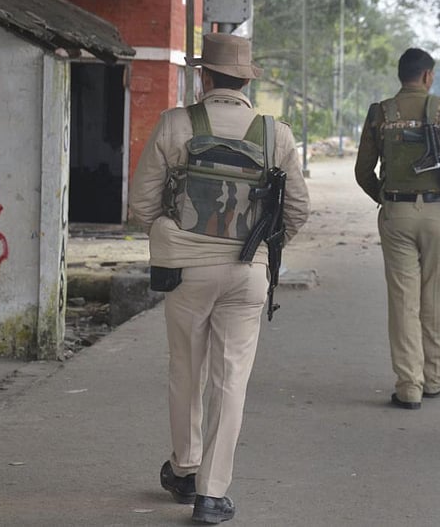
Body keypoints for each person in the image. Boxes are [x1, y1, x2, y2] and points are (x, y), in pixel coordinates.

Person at [129, 33, 310, 523]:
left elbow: (141, 205)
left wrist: (175, 233)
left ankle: (184, 470)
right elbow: (297, 210)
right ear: (246, 80)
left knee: (185, 368)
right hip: (246, 273)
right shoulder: (276, 134)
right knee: (230, 380)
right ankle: (212, 493)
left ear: (204, 77)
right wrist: (263, 248)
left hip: (186, 270)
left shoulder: (175, 125)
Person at [354, 47, 440, 410]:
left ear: (401, 76)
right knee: (436, 298)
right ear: (428, 76)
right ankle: (436, 377)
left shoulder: (381, 112)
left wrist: (388, 197)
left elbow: (363, 170)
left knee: (403, 301)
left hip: (396, 213)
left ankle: (409, 385)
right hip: (439, 213)